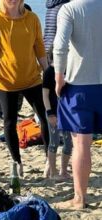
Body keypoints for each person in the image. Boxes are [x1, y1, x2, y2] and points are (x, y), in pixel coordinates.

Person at [0, 0, 49, 177]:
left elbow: (39, 46)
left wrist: (47, 72)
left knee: (44, 117)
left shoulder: (32, 18)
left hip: (32, 78)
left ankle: (48, 160)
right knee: (9, 121)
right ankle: (17, 162)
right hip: (6, 81)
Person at [53, 0, 102, 209]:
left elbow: (60, 46)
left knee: (81, 144)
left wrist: (58, 77)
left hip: (80, 85)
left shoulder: (70, 9)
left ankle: (80, 199)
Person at [42, 47, 72, 180]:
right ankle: (53, 172)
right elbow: (45, 95)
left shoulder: (68, 70)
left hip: (67, 113)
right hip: (53, 112)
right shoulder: (49, 72)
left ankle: (63, 171)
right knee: (53, 142)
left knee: (68, 142)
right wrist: (49, 113)